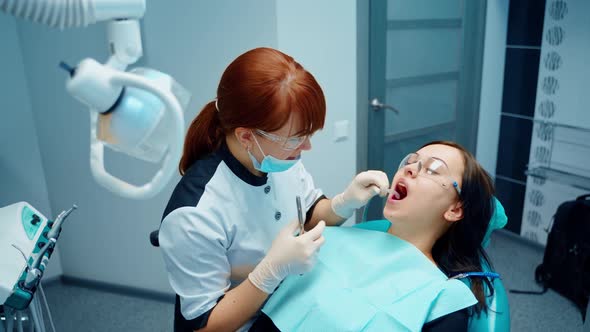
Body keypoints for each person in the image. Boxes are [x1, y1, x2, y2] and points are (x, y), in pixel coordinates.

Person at [157, 47, 390, 332]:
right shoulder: (194, 213)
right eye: (295, 138)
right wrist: (270, 271)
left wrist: (343, 203)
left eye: (308, 135)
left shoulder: (280, 160)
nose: (306, 147)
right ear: (246, 136)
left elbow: (310, 214)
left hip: (288, 307)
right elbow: (206, 326)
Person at [251, 141, 503, 331]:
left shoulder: (441, 299)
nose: (409, 170)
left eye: (433, 170)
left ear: (455, 209)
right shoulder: (327, 239)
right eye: (410, 161)